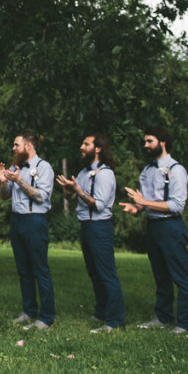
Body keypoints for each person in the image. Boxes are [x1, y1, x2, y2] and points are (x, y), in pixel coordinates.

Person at [120, 126, 188, 334]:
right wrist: (136, 207)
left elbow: (176, 205)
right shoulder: (147, 170)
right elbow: (147, 203)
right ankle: (162, 317)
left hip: (171, 225)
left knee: (180, 275)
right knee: (160, 275)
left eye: (149, 141)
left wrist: (144, 202)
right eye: (145, 141)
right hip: (153, 226)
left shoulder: (176, 169)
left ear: (162, 142)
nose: (145, 145)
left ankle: (185, 323)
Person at [56, 134, 124, 333]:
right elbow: (75, 197)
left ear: (98, 148)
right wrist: (69, 191)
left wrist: (78, 189)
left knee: (106, 273)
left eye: (86, 144)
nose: (81, 146)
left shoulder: (105, 174)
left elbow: (99, 205)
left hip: (100, 227)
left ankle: (114, 320)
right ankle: (101, 311)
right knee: (94, 273)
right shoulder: (84, 173)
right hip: (86, 226)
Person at [0, 132, 55, 331]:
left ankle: (46, 317)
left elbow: (41, 197)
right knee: (23, 270)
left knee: (40, 269)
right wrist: (3, 181)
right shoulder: (14, 167)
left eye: (16, 145)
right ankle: (29, 310)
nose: (13, 148)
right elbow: (5, 196)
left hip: (35, 221)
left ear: (28, 146)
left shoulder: (44, 167)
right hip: (17, 221)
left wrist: (20, 180)